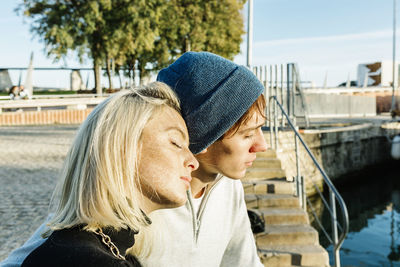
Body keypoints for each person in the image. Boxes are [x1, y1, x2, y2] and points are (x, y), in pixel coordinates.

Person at [1, 52, 267, 267]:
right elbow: (48, 251)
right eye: (247, 134)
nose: (262, 146)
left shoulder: (229, 188)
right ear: (204, 137)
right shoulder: (143, 193)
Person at [16, 82, 199, 267]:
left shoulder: (90, 249)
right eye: (176, 143)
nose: (193, 162)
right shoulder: (92, 260)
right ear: (122, 147)